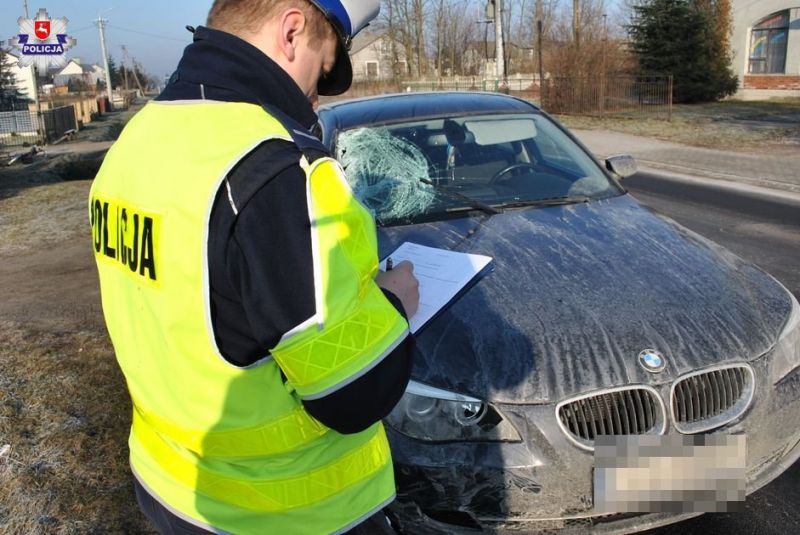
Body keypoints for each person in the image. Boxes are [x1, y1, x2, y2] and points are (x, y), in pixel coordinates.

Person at [88, 1, 420, 533]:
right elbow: (355, 394)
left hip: (169, 484)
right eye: (324, 65)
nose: (315, 94)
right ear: (291, 31)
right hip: (285, 514)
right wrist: (395, 303)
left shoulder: (136, 141)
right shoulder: (276, 168)